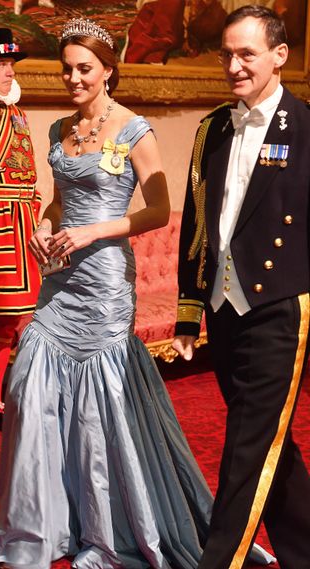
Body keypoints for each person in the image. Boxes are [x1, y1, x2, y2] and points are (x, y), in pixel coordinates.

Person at [0, 17, 274, 569]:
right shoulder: (58, 131)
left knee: (98, 408)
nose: (74, 79)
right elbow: (56, 199)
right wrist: (47, 228)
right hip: (60, 279)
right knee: (30, 389)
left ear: (108, 71)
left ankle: (106, 526)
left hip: (103, 284)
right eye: (68, 68)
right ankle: (41, 523)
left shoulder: (133, 130)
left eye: (85, 69)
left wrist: (94, 231)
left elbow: (153, 210)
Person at [173, 5, 310, 569]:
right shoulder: (212, 129)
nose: (234, 65)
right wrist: (188, 311)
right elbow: (197, 226)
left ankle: (218, 560)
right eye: (226, 53)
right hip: (224, 308)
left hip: (281, 307)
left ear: (279, 56)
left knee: (247, 448)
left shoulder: (307, 128)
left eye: (246, 53)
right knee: (269, 441)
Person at [0, 28, 41, 444]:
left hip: (20, 225)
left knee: (6, 324)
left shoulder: (15, 112)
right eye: (0, 64)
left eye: (10, 63)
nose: (9, 71)